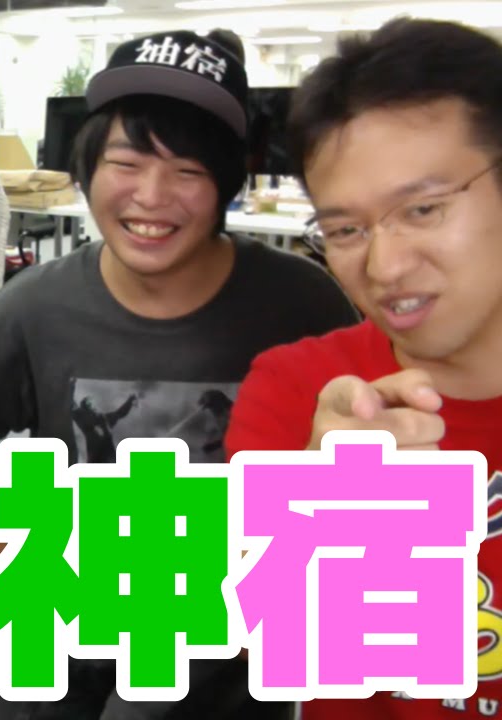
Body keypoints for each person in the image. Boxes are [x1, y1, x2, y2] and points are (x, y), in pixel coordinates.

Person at [0, 29, 360, 719]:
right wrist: (11, 567)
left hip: (225, 635)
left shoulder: (301, 303)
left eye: (188, 171)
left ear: (226, 185)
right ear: (88, 171)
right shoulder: (35, 307)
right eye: (126, 163)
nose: (151, 197)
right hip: (75, 614)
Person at [225, 18, 502, 720]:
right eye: (345, 229)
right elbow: (270, 646)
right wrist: (323, 506)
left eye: (423, 208)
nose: (384, 266)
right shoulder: (296, 392)